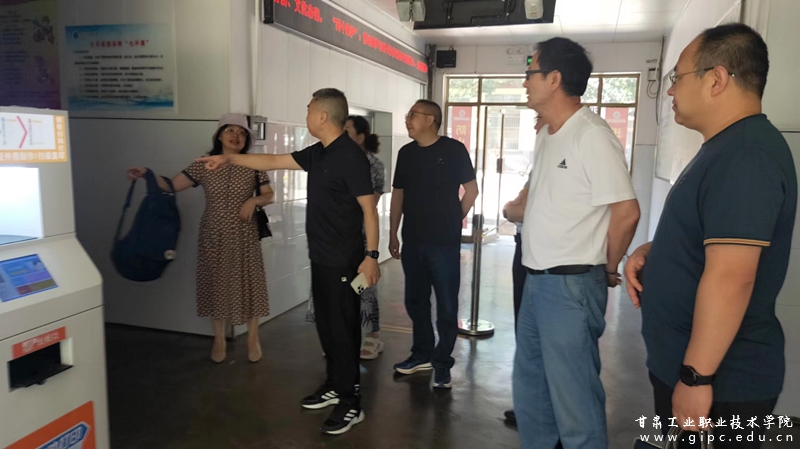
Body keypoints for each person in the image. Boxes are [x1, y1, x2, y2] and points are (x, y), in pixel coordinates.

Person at [624, 23, 797, 449]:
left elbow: (731, 278)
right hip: (694, 372)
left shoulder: (747, 156)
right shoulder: (727, 148)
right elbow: (712, 240)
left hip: (722, 386)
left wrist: (696, 378)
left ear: (716, 79)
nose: (670, 90)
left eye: (677, 77)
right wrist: (656, 252)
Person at [198, 88, 380, 435]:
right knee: (327, 325)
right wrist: (228, 159)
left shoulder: (349, 156)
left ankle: (351, 401)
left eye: (309, 109)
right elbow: (273, 161)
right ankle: (335, 384)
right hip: (322, 257)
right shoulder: (320, 151)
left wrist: (371, 257)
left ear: (323, 116)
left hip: (345, 261)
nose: (306, 114)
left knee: (343, 330)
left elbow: (369, 210)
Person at [514, 37, 640, 449]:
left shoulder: (592, 135)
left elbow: (626, 212)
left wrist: (608, 268)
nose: (524, 82)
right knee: (532, 393)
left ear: (554, 79)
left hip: (570, 286)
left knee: (575, 404)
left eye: (530, 73)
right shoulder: (548, 134)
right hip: (536, 282)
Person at [126, 113, 274, 364]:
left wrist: (254, 200)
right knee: (216, 283)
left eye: (241, 133)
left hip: (244, 233)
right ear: (219, 135)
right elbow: (171, 185)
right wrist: (147, 174)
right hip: (213, 233)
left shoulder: (254, 164)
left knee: (249, 283)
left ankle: (253, 338)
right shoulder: (205, 163)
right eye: (230, 130)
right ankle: (219, 339)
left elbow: (269, 195)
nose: (236, 136)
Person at [389, 100, 479, 389]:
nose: (407, 119)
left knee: (446, 305)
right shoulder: (406, 153)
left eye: (412, 115)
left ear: (431, 119)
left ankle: (442, 362)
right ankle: (422, 354)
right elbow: (398, 195)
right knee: (415, 300)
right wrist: (393, 233)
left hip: (443, 243)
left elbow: (472, 190)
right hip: (413, 240)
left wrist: (454, 219)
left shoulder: (453, 150)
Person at [500, 113, 546, 428]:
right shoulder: (543, 158)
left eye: (539, 117)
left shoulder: (561, 155)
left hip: (544, 257)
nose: (534, 124)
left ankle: (539, 410)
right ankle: (531, 404)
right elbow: (519, 205)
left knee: (539, 333)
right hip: (526, 249)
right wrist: (515, 208)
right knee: (526, 329)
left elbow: (521, 208)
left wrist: (512, 208)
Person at [344, 115, 386, 360]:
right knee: (341, 286)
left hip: (361, 234)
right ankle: (344, 335)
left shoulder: (373, 164)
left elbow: (370, 204)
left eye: (347, 130)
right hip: (337, 236)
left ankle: (372, 335)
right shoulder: (336, 159)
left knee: (363, 284)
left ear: (360, 137)